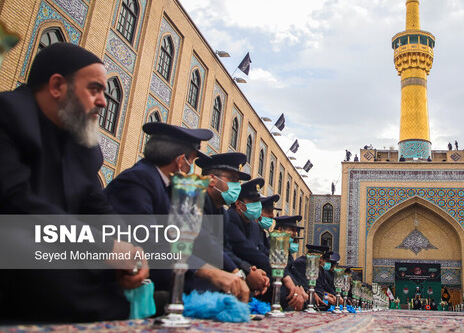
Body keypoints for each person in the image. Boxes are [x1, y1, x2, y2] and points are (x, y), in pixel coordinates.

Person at [0, 43, 147, 322]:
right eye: (95, 89)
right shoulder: (8, 114)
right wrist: (104, 247)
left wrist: (128, 250)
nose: (104, 101)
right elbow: (16, 204)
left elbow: (99, 208)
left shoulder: (83, 146)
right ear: (57, 86)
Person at [106, 122, 248, 302]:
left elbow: (194, 238)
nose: (190, 169)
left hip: (162, 267)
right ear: (181, 161)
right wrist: (209, 272)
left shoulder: (165, 186)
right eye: (191, 162)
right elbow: (151, 243)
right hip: (132, 275)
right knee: (214, 290)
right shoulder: (139, 180)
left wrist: (231, 271)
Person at [196, 153, 269, 298]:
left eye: (238, 182)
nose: (236, 186)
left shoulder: (221, 211)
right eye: (232, 179)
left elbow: (224, 249)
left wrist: (246, 269)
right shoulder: (194, 201)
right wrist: (241, 272)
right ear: (211, 179)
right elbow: (204, 246)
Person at [272, 215, 309, 310]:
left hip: (286, 284)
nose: (295, 233)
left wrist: (299, 286)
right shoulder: (273, 245)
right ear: (280, 229)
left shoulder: (286, 251)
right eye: (292, 230)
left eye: (295, 230)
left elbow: (293, 272)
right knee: (292, 298)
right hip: (275, 284)